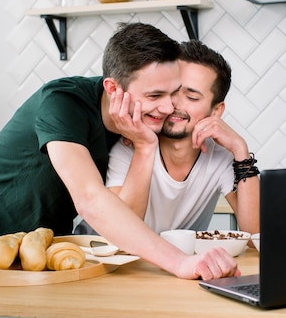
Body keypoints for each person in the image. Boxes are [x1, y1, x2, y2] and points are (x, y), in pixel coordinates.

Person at [0, 23, 239, 280]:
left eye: (173, 92)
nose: (168, 108)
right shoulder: (63, 103)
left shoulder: (139, 123)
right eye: (155, 96)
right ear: (112, 88)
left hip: (46, 247)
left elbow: (126, 214)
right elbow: (89, 198)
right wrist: (180, 263)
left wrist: (145, 145)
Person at [105, 39, 260, 234]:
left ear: (216, 110)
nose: (173, 105)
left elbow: (257, 237)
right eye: (171, 91)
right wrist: (144, 147)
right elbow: (121, 233)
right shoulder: (128, 148)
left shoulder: (221, 158)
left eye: (192, 97)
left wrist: (240, 149)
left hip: (184, 262)